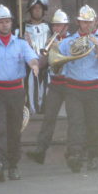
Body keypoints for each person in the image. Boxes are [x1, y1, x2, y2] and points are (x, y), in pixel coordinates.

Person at [0, 5, 40, 182]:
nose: (5, 25)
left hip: (16, 92)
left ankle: (13, 165)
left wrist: (34, 64)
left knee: (14, 130)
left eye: (7, 21)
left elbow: (31, 57)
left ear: (12, 23)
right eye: (1, 22)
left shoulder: (20, 43)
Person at [58, 5, 98, 172]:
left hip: (94, 88)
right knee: (76, 123)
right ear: (78, 22)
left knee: (93, 124)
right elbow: (57, 62)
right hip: (73, 88)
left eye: (89, 22)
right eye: (83, 22)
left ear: (94, 22)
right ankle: (74, 154)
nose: (87, 25)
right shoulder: (69, 42)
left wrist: (96, 46)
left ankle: (93, 155)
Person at [25, 9, 71, 164]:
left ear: (66, 26)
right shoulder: (50, 41)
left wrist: (59, 47)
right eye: (54, 26)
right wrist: (42, 51)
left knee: (74, 118)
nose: (56, 29)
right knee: (49, 118)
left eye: (60, 26)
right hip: (56, 84)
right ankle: (40, 150)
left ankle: (73, 151)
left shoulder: (72, 40)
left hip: (71, 83)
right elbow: (41, 64)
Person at [24, 0, 51, 114]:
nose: (37, 10)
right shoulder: (23, 27)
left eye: (40, 8)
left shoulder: (50, 27)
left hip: (46, 65)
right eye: (35, 8)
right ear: (30, 10)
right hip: (29, 66)